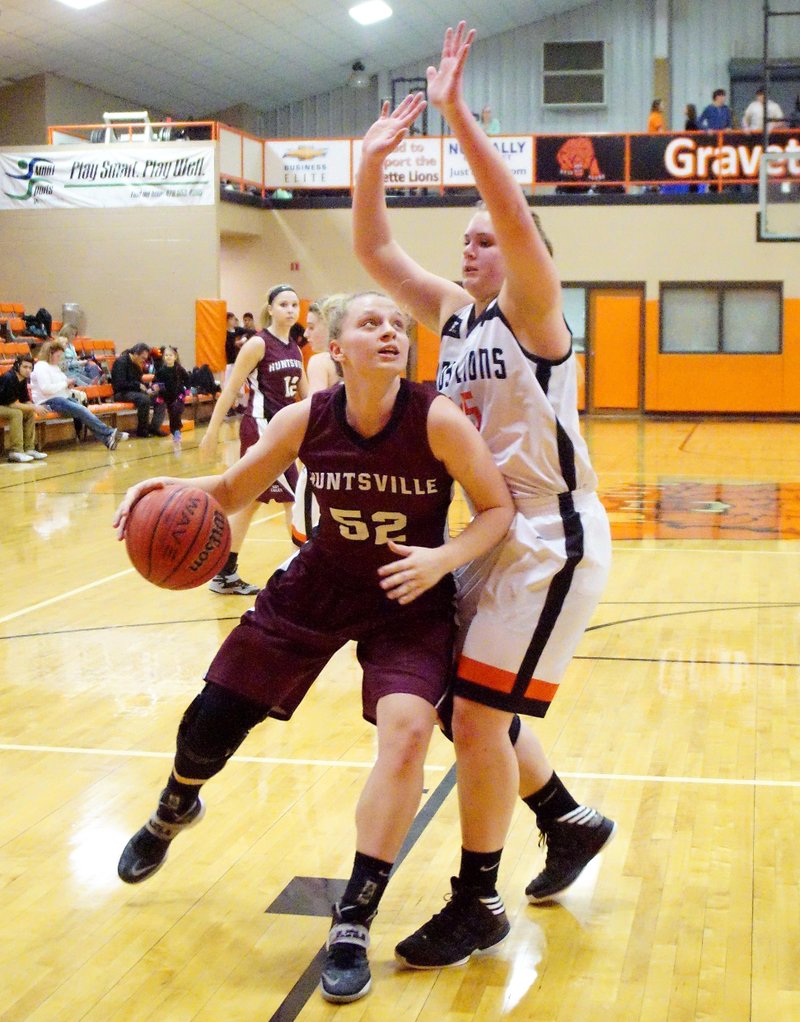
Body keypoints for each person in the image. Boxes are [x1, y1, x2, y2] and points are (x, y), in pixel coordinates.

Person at [113, 290, 515, 1005]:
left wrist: (442, 558)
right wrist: (166, 485)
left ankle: (353, 924)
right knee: (215, 717)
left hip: (406, 595)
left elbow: (497, 509)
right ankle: (174, 807)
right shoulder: (309, 418)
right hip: (319, 582)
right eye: (371, 323)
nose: (390, 331)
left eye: (397, 324)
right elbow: (235, 488)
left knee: (409, 731)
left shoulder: (438, 421)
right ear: (337, 349)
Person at [353, 21, 615, 970]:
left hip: (552, 536)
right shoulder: (460, 317)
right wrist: (373, 159)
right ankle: (567, 819)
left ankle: (478, 901)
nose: (469, 247)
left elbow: (509, 215)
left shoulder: (537, 312)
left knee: (474, 717)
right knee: (483, 708)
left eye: (483, 237)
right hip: (493, 535)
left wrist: (460, 114)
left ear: (519, 249)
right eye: (459, 239)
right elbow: (378, 252)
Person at [200, 284, 308, 595]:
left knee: (248, 503)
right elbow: (232, 389)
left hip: (284, 432)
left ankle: (224, 573)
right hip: (261, 429)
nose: (290, 309)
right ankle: (300, 580)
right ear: (270, 309)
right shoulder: (258, 344)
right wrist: (211, 432)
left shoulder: (295, 348)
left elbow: (307, 395)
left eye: (294, 304)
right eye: (284, 304)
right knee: (295, 501)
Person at [291, 295, 345, 546]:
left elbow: (316, 417)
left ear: (331, 324)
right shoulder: (362, 360)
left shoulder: (320, 361)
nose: (307, 334)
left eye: (312, 327)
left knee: (305, 546)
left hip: (325, 466)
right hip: (357, 470)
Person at [31, 339, 127, 450]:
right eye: (58, 356)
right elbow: (46, 389)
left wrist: (67, 385)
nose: (59, 359)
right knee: (82, 411)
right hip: (49, 401)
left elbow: (61, 384)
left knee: (83, 411)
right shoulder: (41, 366)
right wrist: (65, 383)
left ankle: (107, 439)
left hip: (62, 398)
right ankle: (109, 432)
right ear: (50, 354)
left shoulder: (55, 367)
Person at [111, 342, 166, 438]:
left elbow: (139, 381)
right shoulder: (121, 362)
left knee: (160, 398)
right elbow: (120, 384)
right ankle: (142, 430)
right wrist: (138, 386)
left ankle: (154, 427)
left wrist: (149, 389)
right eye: (143, 358)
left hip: (134, 392)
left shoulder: (136, 364)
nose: (144, 361)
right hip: (121, 393)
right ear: (136, 354)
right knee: (144, 399)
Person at [0, 353, 47, 463]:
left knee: (29, 412)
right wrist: (34, 407)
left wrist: (33, 407)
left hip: (5, 405)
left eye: (30, 368)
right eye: (25, 367)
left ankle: (29, 448)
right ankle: (16, 451)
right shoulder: (9, 378)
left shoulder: (22, 380)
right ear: (17, 366)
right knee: (16, 413)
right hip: (4, 405)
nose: (28, 370)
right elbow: (12, 404)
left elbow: (25, 399)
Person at [153, 345, 191, 452]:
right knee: (172, 414)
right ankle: (175, 431)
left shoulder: (179, 369)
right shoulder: (161, 371)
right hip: (168, 397)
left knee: (176, 411)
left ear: (175, 357)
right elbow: (156, 382)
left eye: (170, 355)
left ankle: (177, 430)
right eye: (166, 355)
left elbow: (187, 379)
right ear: (164, 357)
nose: (168, 357)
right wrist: (158, 392)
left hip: (179, 395)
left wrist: (187, 389)